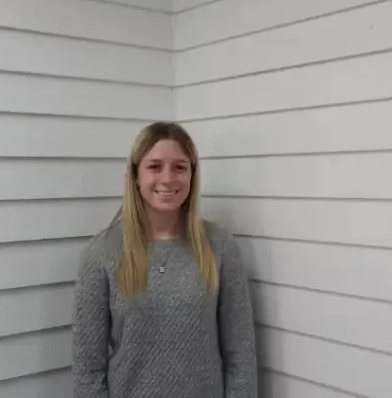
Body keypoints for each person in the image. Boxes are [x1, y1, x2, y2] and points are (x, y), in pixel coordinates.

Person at [71, 121, 258, 398]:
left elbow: (241, 357)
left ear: (192, 175)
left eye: (180, 167)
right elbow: (87, 370)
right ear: (136, 175)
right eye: (155, 166)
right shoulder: (100, 254)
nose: (168, 178)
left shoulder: (220, 247)